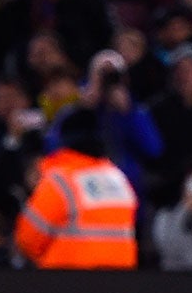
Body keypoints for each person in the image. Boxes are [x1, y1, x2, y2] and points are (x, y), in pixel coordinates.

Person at [15, 106, 140, 268]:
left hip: (70, 283)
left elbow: (27, 240)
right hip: (120, 282)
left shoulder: (61, 181)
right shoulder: (118, 178)